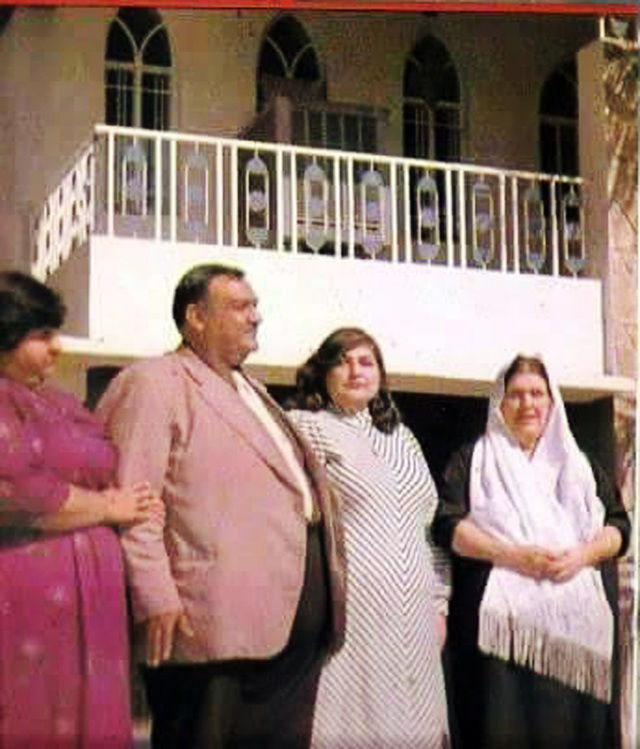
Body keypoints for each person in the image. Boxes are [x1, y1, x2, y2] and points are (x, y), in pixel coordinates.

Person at [96, 263, 346, 749]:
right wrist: (154, 594)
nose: (255, 316)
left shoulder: (252, 389)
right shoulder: (153, 382)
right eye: (239, 306)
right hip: (207, 625)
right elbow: (133, 498)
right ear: (196, 317)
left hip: (289, 627)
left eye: (255, 306)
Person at [432, 354, 630, 749]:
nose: (528, 404)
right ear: (499, 403)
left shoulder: (581, 466)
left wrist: (581, 556)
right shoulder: (473, 461)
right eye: (517, 394)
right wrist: (513, 556)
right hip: (501, 649)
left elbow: (619, 527)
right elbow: (448, 525)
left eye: (537, 394)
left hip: (576, 646)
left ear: (552, 402)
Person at [0, 271, 157, 747]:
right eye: (41, 335)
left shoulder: (55, 402)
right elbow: (16, 493)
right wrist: (109, 506)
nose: (56, 348)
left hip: (89, 599)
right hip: (25, 602)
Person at [287, 327, 450, 748]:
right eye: (342, 362)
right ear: (323, 373)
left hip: (416, 612)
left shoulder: (402, 438)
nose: (356, 371)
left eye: (366, 362)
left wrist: (439, 604)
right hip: (355, 610)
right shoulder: (308, 426)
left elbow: (428, 528)